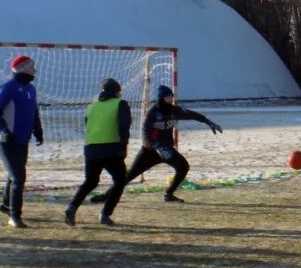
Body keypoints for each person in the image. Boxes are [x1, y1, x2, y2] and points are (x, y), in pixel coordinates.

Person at [90, 85, 222, 204]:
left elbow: (191, 114)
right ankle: (105, 196)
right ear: (162, 98)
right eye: (168, 96)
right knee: (128, 176)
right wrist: (158, 146)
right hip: (149, 152)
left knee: (183, 167)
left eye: (172, 96)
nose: (172, 98)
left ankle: (169, 194)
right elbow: (146, 135)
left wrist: (209, 122)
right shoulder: (152, 113)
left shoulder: (173, 110)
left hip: (167, 151)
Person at [64, 78, 131, 226]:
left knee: (90, 181)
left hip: (91, 149)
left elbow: (88, 125)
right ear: (117, 92)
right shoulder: (120, 104)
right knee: (120, 181)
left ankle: (72, 207)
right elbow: (123, 126)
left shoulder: (91, 106)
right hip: (111, 148)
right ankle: (105, 214)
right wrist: (123, 146)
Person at [0, 55, 44, 228]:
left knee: (15, 174)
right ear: (22, 68)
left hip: (22, 139)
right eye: (31, 67)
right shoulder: (8, 87)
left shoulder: (31, 89)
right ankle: (14, 216)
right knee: (18, 177)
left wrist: (38, 130)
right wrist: (4, 130)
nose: (34, 70)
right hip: (6, 140)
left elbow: (33, 112)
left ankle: (6, 205)